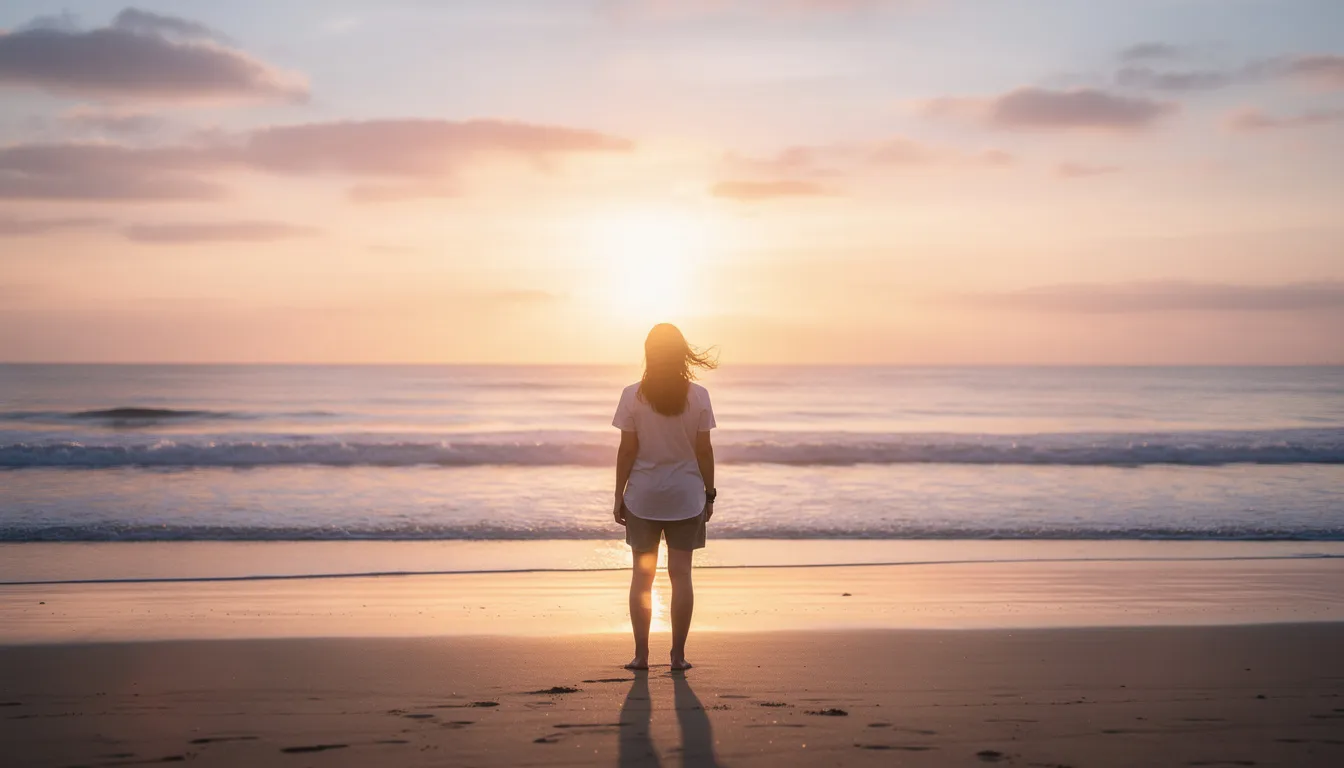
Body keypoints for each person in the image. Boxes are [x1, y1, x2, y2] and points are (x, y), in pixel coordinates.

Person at [612, 323, 717, 671]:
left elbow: (628, 451)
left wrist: (618, 495)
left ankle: (641, 656)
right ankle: (678, 656)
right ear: (681, 353)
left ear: (649, 353)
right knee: (681, 576)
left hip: (643, 497)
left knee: (641, 578)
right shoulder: (698, 396)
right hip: (686, 497)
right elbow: (704, 451)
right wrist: (709, 494)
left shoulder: (632, 395)